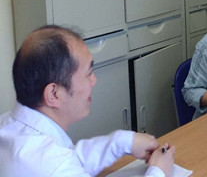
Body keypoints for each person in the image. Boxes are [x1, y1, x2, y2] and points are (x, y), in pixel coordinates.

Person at [0, 25, 174, 177]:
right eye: (88, 73)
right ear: (54, 94)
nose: (94, 80)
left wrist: (122, 142)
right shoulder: (51, 165)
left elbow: (71, 157)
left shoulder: (10, 126)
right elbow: (60, 165)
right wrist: (158, 171)